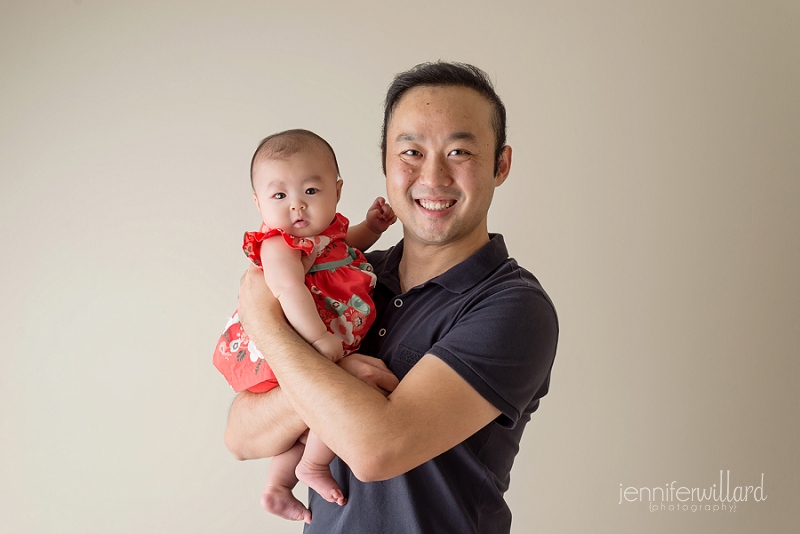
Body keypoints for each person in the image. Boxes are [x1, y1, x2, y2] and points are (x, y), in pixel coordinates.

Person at [225, 62, 559, 533]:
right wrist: (335, 374)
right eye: (411, 152)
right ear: (385, 161)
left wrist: (262, 318)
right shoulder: (351, 276)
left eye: (459, 150)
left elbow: (377, 450)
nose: (433, 175)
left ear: (500, 165)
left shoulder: (512, 307)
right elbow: (241, 435)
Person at [213, 129, 396, 523]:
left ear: (337, 190)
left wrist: (373, 227)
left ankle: (278, 486)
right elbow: (286, 287)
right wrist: (317, 337)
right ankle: (309, 467)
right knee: (323, 401)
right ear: (259, 202)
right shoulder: (278, 244)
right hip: (301, 340)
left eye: (311, 191)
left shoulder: (327, 236)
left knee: (317, 411)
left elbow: (350, 246)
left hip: (321, 343)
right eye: (279, 196)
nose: (296, 206)